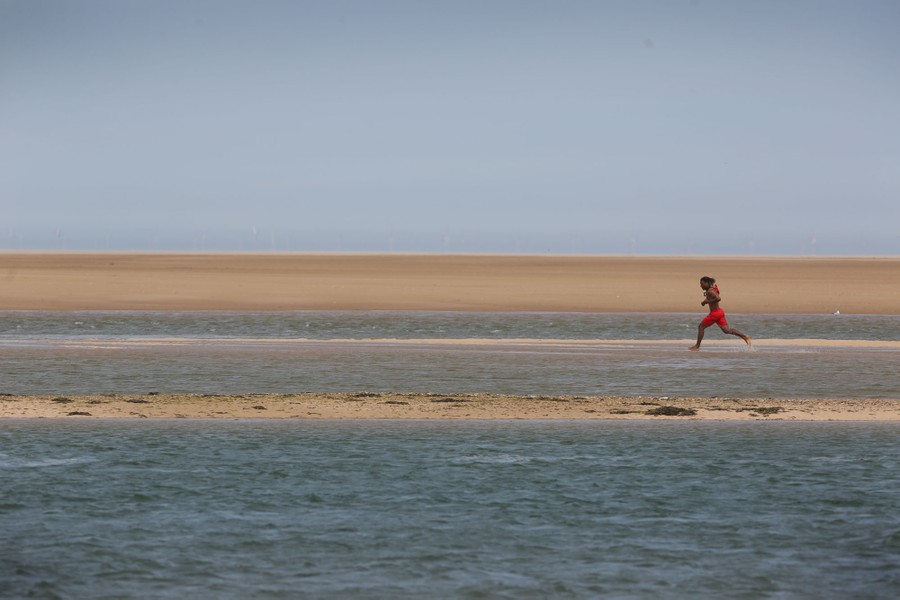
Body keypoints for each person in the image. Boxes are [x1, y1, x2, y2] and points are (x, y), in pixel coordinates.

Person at [689, 276, 751, 351]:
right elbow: (711, 298)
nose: (700, 285)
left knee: (701, 327)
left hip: (715, 313)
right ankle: (744, 336)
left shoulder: (710, 291)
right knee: (727, 331)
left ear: (706, 283)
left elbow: (718, 298)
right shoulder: (710, 290)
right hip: (719, 312)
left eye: (702, 283)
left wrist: (707, 302)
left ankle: (697, 346)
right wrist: (704, 302)